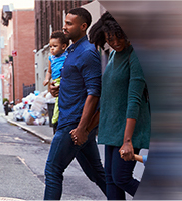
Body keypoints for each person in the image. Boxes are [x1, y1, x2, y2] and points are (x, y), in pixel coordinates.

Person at [78, 14, 152, 200]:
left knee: (122, 178)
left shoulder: (135, 56)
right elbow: (109, 99)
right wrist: (87, 128)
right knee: (111, 180)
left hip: (128, 130)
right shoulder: (112, 55)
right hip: (111, 130)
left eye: (120, 37)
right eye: (110, 39)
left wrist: (128, 140)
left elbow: (134, 99)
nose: (116, 42)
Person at [43, 7, 107, 200]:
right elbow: (74, 84)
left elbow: (94, 93)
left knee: (52, 170)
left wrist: (82, 128)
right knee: (97, 174)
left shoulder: (87, 53)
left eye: (69, 24)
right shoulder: (71, 51)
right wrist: (55, 89)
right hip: (72, 121)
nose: (64, 27)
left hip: (73, 124)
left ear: (83, 26)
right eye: (65, 22)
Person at [46, 30, 69, 127]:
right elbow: (49, 71)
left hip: (63, 78)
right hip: (55, 80)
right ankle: (56, 119)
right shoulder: (51, 58)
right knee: (58, 99)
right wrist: (47, 79)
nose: (52, 49)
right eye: (50, 46)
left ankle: (55, 119)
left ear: (63, 46)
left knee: (60, 100)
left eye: (55, 46)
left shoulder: (67, 55)